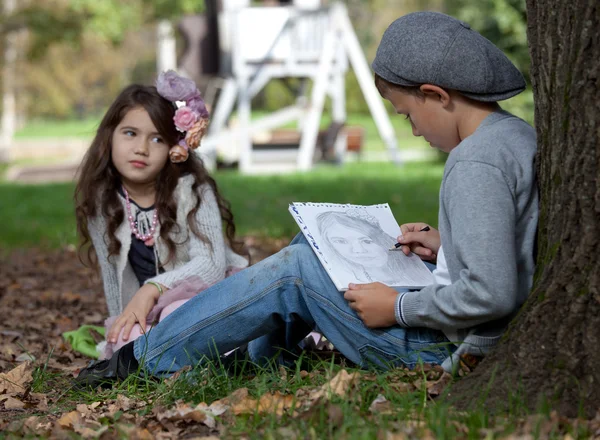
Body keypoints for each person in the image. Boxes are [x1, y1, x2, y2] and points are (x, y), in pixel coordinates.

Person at [75, 11, 538, 387]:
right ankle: (259, 360)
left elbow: (491, 292)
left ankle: (142, 359)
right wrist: (444, 246)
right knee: (308, 248)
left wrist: (395, 308)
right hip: (450, 329)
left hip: (439, 348)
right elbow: (505, 249)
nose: (414, 130)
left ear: (435, 95)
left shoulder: (474, 163)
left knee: (294, 272)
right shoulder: (511, 136)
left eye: (407, 115)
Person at [73, 70, 248, 359]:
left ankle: (236, 344)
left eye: (156, 139)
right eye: (130, 134)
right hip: (152, 310)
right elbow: (113, 278)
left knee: (174, 313)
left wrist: (152, 288)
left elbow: (211, 267)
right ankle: (175, 353)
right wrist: (119, 327)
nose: (141, 149)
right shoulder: (102, 203)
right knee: (126, 340)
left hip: (208, 296)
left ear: (174, 148)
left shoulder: (192, 191)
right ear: (110, 137)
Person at [317, 210, 431, 285]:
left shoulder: (418, 275)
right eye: (341, 241)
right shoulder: (347, 272)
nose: (357, 250)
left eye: (367, 241)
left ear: (386, 239)